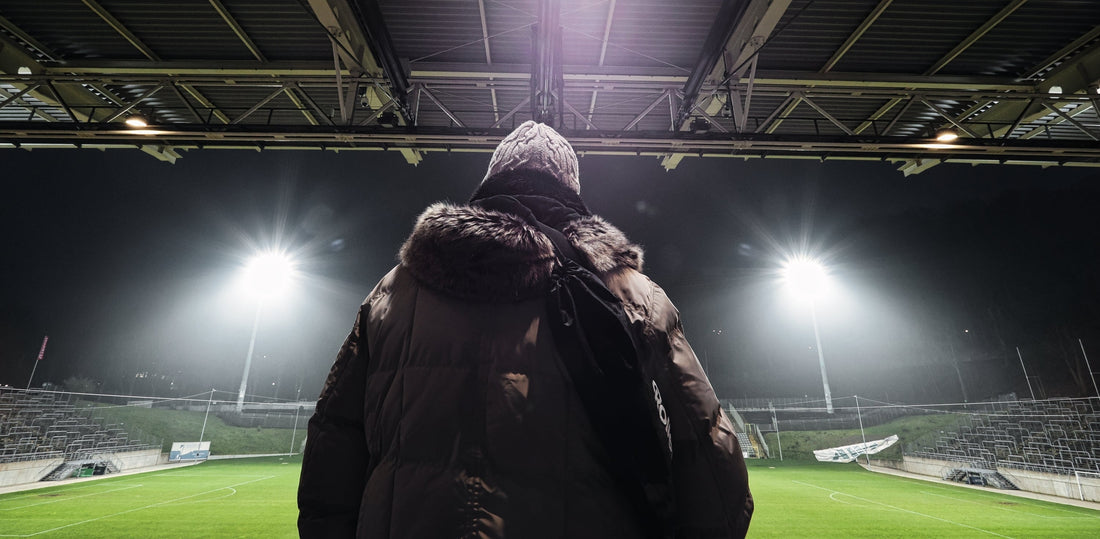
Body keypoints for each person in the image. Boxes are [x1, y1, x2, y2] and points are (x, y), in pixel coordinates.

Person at [297, 121, 752, 538]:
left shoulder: (393, 292)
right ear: (571, 189)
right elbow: (710, 454)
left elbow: (333, 444)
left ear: (490, 182)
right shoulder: (632, 295)